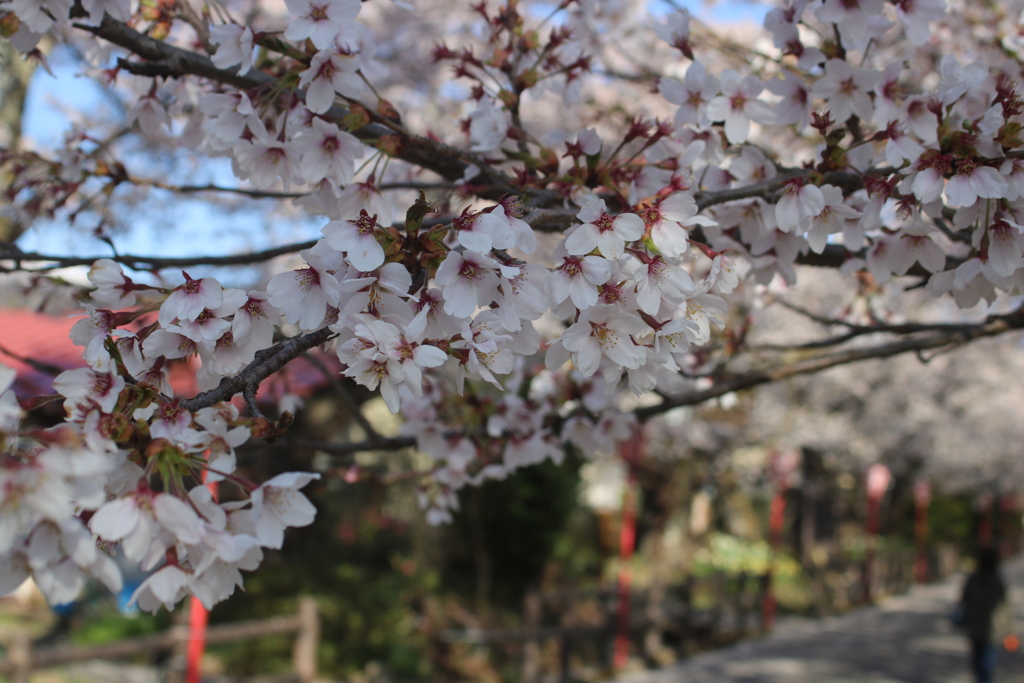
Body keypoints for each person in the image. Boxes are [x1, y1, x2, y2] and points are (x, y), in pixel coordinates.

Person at [960, 547, 1007, 683]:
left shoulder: (973, 579)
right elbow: (1003, 606)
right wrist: (1008, 629)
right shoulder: (997, 581)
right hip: (991, 629)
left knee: (977, 659)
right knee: (987, 662)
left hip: (975, 626)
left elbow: (964, 600)